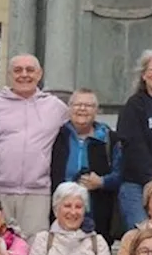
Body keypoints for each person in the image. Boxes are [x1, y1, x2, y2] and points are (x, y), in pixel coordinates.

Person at [0, 54, 69, 237]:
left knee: (34, 252)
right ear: (9, 74)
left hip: (38, 193)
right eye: (18, 70)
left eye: (30, 70)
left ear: (40, 74)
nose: (24, 75)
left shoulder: (56, 107)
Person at [49, 88, 122, 242]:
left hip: (98, 213)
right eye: (77, 104)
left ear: (96, 110)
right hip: (61, 213)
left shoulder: (109, 139)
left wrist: (102, 182)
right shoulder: (56, 136)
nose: (82, 109)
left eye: (88, 106)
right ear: (69, 108)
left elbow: (121, 173)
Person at [115, 47, 152, 228]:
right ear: (143, 75)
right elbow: (133, 145)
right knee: (143, 236)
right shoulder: (134, 106)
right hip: (137, 186)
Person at [25, 182, 113, 255]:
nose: (73, 212)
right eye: (67, 206)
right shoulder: (42, 240)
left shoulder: (98, 242)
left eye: (78, 207)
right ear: (56, 210)